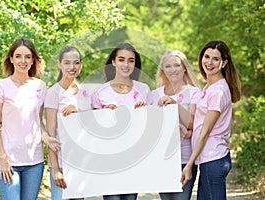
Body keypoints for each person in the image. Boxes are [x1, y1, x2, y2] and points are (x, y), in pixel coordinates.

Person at [0, 38, 60, 200]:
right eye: (18, 56)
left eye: (28, 56)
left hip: (34, 162)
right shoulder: (1, 86)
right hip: (9, 161)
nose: (23, 61)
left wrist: (47, 138)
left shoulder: (40, 86)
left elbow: (37, 122)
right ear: (11, 59)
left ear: (33, 60)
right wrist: (2, 158)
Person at [181, 40, 241, 200]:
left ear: (224, 63)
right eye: (206, 56)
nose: (209, 62)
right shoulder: (209, 87)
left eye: (215, 59)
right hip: (209, 159)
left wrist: (189, 165)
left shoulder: (218, 91)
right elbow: (199, 123)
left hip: (213, 159)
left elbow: (205, 132)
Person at [91, 43, 151, 200]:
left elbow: (152, 127)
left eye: (131, 60)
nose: (126, 64)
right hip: (109, 161)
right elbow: (93, 131)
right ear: (113, 62)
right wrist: (104, 115)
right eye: (122, 59)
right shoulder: (100, 92)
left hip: (134, 161)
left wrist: (145, 112)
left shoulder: (144, 90)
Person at [149, 50, 200, 200]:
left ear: (184, 68)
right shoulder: (154, 95)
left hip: (184, 160)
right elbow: (149, 128)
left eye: (177, 65)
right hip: (161, 159)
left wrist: (175, 105)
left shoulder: (194, 93)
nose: (173, 70)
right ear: (163, 70)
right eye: (168, 66)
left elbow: (193, 123)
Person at [44, 47, 90, 200]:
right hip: (62, 164)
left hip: (80, 163)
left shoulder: (85, 92)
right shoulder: (53, 93)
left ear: (81, 65)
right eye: (67, 63)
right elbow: (50, 135)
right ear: (59, 64)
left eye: (76, 63)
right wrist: (55, 169)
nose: (72, 67)